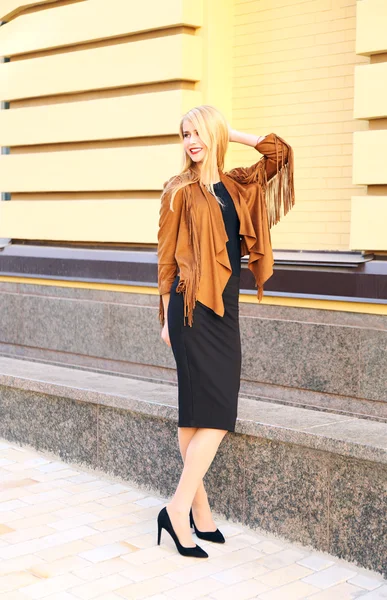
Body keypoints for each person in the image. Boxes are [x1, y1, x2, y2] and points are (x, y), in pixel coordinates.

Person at [156, 105, 295, 558]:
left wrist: (229, 131)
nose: (190, 141)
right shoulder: (178, 189)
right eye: (184, 134)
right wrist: (164, 320)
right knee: (205, 413)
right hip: (189, 309)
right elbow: (164, 261)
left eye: (197, 132)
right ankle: (180, 511)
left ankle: (199, 513)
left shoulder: (237, 184)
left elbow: (280, 154)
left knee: (206, 411)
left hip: (226, 310)